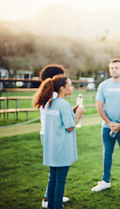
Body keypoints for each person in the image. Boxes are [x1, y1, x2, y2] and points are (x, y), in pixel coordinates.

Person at [33, 75, 85, 209]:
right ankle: (56, 206)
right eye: (70, 85)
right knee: (60, 181)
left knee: (53, 179)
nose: (72, 88)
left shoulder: (50, 103)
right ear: (62, 88)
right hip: (62, 149)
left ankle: (51, 205)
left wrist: (72, 111)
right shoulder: (63, 104)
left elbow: (59, 121)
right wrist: (78, 114)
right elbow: (69, 127)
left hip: (52, 148)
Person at [91, 58, 120, 193]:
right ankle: (105, 181)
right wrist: (110, 123)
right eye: (111, 68)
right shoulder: (103, 86)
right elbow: (99, 106)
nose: (114, 70)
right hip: (107, 126)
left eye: (116, 67)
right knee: (107, 154)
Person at [38, 65, 70, 208]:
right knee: (58, 173)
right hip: (54, 136)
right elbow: (65, 124)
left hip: (46, 134)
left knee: (54, 172)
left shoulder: (46, 94)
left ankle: (51, 198)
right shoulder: (54, 97)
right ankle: (51, 200)